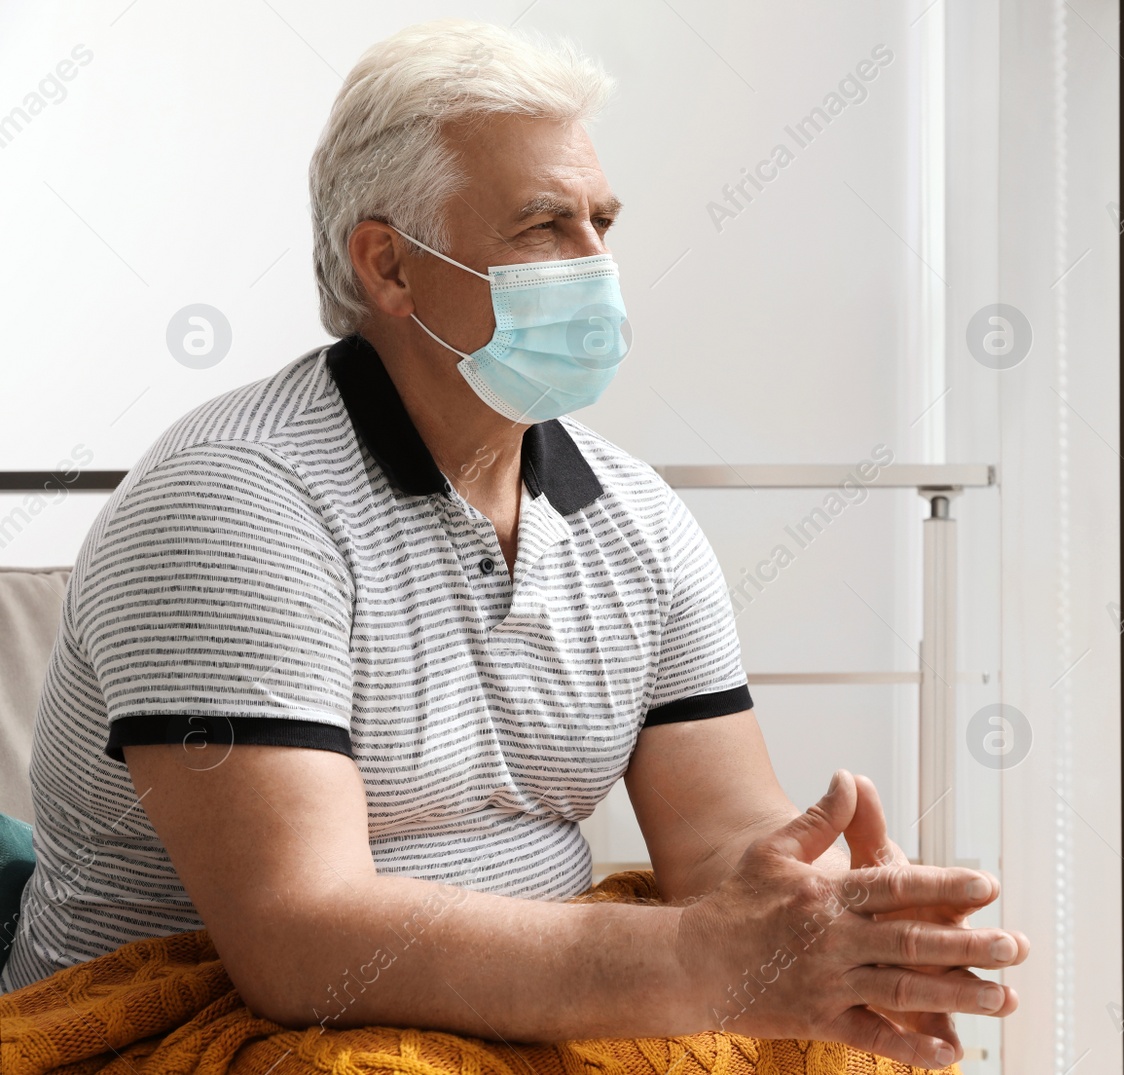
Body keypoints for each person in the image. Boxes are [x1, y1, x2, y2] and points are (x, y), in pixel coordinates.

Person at [0, 19, 1026, 1069]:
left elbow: (717, 841)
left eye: (601, 221)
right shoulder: (230, 503)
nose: (597, 264)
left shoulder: (635, 516)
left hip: (519, 991)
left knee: (828, 1037)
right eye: (544, 225)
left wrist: (817, 915)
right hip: (204, 1014)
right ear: (389, 265)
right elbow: (296, 941)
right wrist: (692, 966)